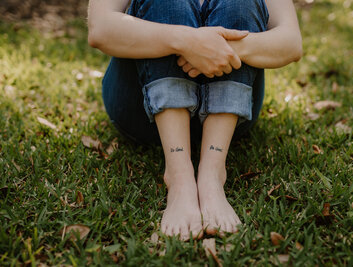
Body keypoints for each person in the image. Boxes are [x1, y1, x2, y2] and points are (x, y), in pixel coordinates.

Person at [88, 0, 302, 240]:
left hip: (230, 118)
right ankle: (179, 178)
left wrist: (222, 47)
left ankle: (212, 175)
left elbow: (291, 42)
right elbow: (100, 28)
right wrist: (185, 40)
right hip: (142, 110)